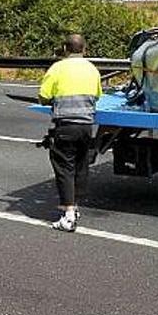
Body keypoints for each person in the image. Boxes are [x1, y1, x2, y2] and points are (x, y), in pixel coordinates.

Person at [39, 34, 102, 232]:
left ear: (65, 48)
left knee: (64, 167)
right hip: (86, 126)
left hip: (65, 125)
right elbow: (97, 95)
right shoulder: (92, 69)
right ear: (85, 49)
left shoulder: (58, 68)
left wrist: (53, 101)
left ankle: (68, 215)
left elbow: (43, 97)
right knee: (81, 166)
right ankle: (75, 206)